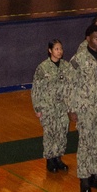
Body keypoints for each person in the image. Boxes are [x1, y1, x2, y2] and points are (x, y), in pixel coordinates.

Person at [69, 24, 97, 192]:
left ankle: (96, 175)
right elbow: (70, 85)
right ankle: (84, 178)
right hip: (84, 108)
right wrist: (72, 109)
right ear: (88, 39)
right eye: (96, 38)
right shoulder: (78, 59)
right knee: (86, 143)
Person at [32, 39, 74, 173]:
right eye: (56, 49)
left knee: (62, 132)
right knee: (50, 133)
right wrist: (37, 108)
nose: (59, 51)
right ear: (50, 51)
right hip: (48, 107)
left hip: (62, 107)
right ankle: (50, 159)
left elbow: (72, 86)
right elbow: (36, 89)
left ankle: (58, 158)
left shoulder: (66, 66)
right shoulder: (43, 68)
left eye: (61, 48)